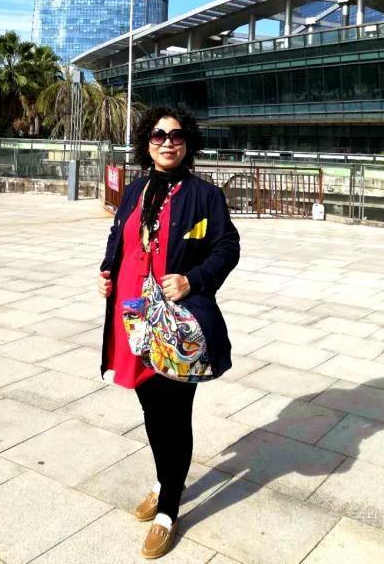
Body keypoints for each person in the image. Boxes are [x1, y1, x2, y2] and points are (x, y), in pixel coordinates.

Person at [97, 106, 240, 559]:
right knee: (151, 409)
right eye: (159, 135)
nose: (167, 142)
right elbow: (118, 238)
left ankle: (168, 511)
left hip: (175, 323)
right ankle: (165, 481)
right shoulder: (135, 190)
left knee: (174, 415)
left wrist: (193, 280)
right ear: (147, 142)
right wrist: (106, 271)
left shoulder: (205, 195)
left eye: (176, 135)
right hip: (132, 318)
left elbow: (227, 247)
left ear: (187, 142)